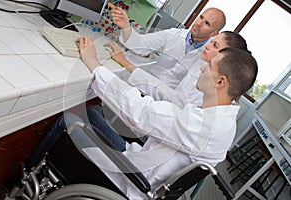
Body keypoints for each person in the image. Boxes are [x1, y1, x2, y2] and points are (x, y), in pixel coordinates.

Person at [30, 35, 258, 199]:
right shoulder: (220, 116)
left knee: (69, 120)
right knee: (91, 112)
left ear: (220, 82)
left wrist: (94, 64)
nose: (201, 69)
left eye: (209, 67)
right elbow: (165, 105)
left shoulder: (205, 126)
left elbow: (139, 112)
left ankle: (25, 177)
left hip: (131, 180)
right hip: (139, 163)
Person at [105, 30, 249, 107]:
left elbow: (173, 100)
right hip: (159, 110)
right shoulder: (203, 68)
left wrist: (126, 63)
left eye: (215, 46)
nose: (207, 46)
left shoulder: (207, 84)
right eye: (211, 43)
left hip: (158, 121)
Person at [109, 2, 226, 88]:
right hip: (146, 85)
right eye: (201, 17)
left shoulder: (209, 57)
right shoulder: (173, 34)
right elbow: (139, 45)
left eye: (206, 23)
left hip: (169, 102)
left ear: (214, 33)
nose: (199, 23)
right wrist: (125, 25)